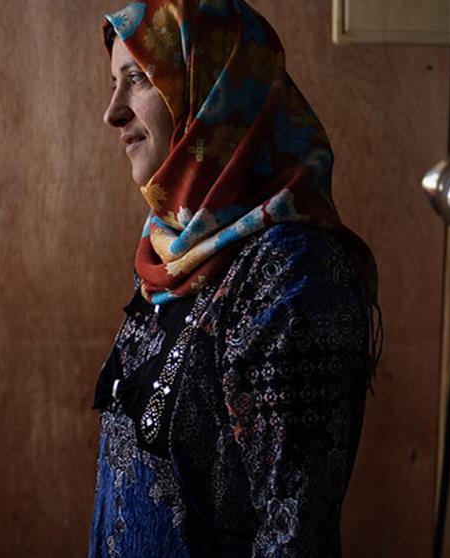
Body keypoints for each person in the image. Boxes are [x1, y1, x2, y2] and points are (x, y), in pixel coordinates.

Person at [87, 2, 380, 556]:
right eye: (113, 83)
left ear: (213, 90)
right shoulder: (175, 251)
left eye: (139, 78)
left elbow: (293, 535)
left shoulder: (292, 273)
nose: (113, 112)